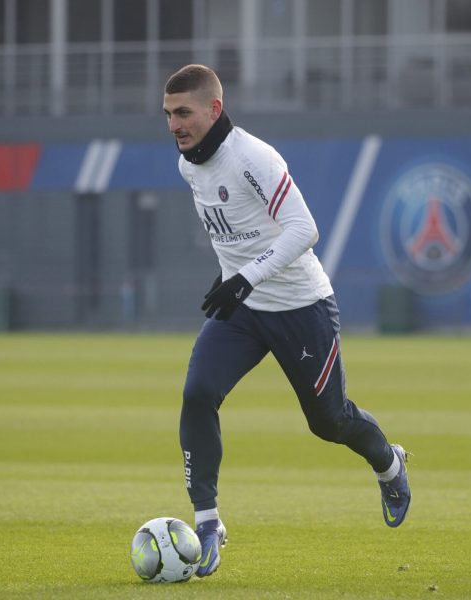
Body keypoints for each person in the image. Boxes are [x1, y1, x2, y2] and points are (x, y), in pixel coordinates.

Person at [163, 64, 411, 577]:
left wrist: (245, 276)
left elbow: (304, 229)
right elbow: (237, 230)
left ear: (214, 108)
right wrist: (228, 275)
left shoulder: (252, 157)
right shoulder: (189, 164)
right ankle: (207, 523)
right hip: (245, 309)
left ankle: (390, 463)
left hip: (302, 307)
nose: (174, 124)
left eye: (183, 112)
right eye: (167, 114)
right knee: (197, 393)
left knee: (330, 421)